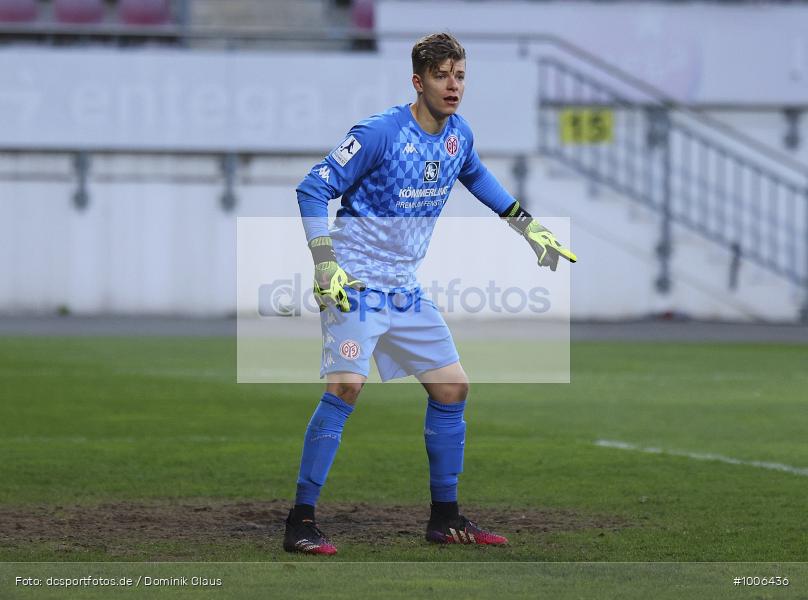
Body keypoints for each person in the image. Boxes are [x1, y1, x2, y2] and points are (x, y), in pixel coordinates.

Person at [284, 32, 576, 555]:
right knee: (346, 388)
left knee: (452, 388)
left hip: (404, 290)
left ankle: (445, 519)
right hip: (354, 283)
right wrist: (325, 262)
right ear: (418, 81)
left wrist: (528, 227)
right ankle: (300, 522)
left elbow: (479, 177)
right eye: (442, 75)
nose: (453, 85)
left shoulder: (457, 136)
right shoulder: (380, 133)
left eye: (460, 75)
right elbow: (313, 187)